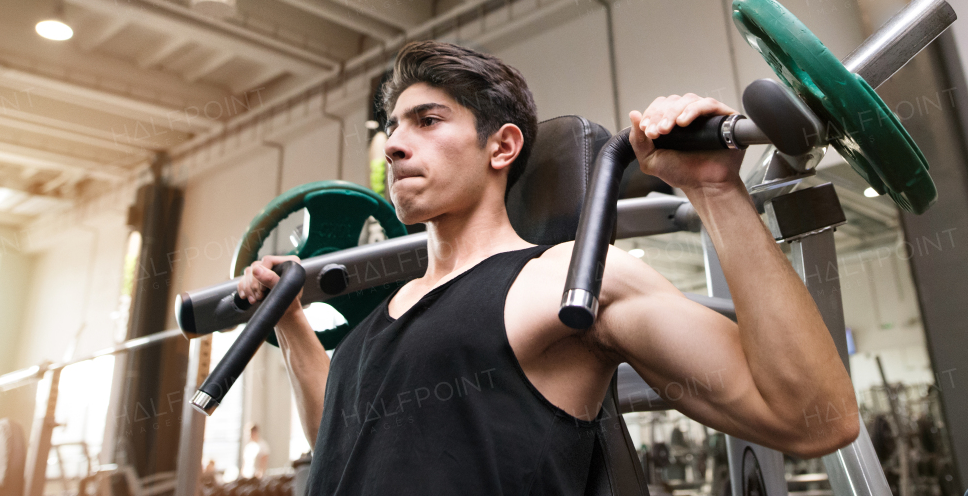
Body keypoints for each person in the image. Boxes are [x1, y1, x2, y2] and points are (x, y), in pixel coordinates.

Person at [238, 41, 858, 494]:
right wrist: (292, 323)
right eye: (393, 126)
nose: (396, 144)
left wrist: (716, 191)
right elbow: (337, 452)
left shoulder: (566, 280)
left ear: (502, 146)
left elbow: (813, 417)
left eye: (427, 121)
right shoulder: (376, 324)